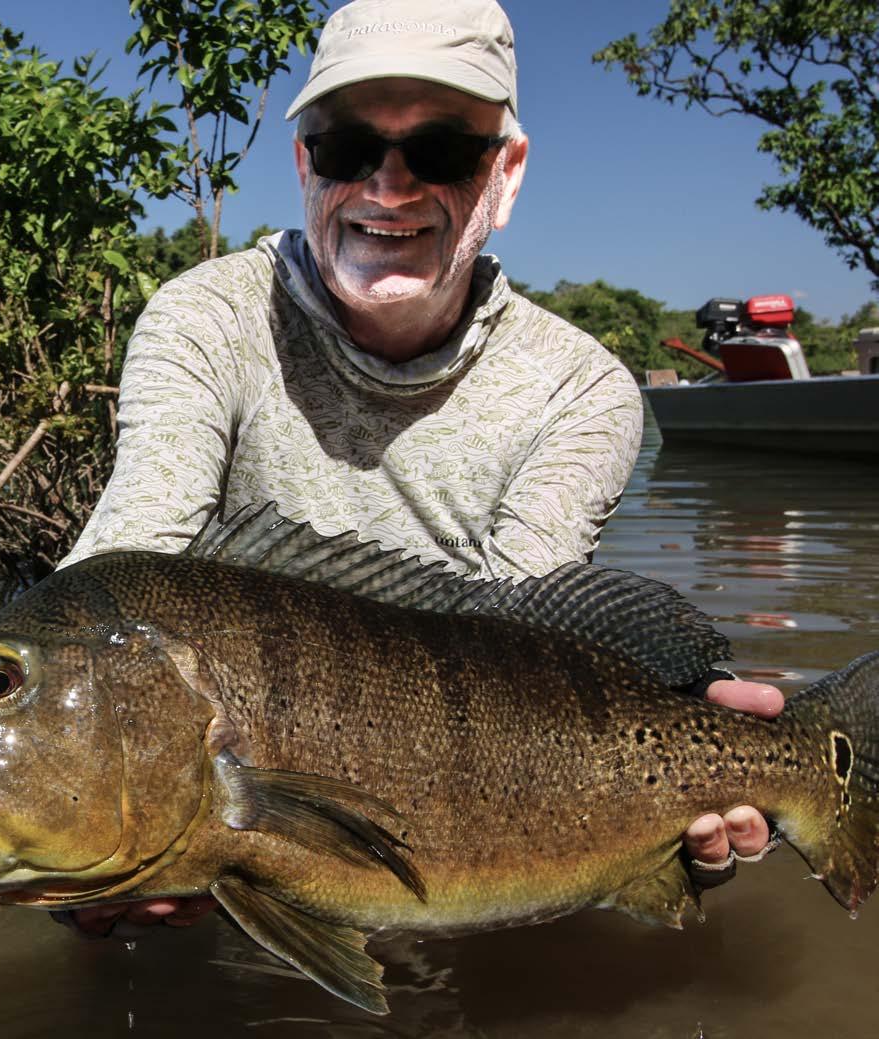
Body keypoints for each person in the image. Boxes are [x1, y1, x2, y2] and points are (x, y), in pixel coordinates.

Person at [60, 0, 783, 937]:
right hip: (226, 811)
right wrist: (73, 791)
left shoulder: (580, 389)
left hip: (463, 804)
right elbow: (123, 573)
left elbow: (520, 636)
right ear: (303, 165)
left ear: (505, 174)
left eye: (441, 150)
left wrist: (677, 760)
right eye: (347, 147)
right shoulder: (205, 320)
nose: (388, 187)